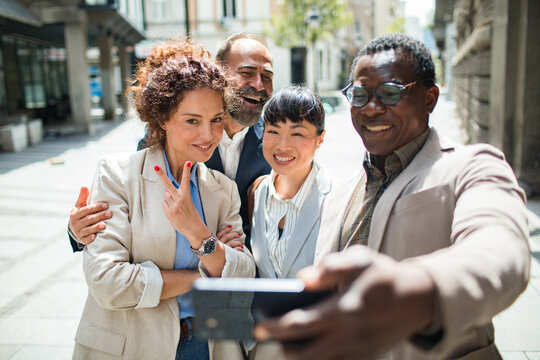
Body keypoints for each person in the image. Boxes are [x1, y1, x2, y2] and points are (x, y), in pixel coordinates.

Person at [254, 33, 530, 360]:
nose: (371, 108)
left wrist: (419, 292)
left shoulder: (472, 166)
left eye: (390, 92)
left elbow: (501, 250)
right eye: (360, 94)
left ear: (429, 98)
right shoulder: (341, 194)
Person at [72, 38, 255, 360]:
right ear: (163, 119)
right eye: (192, 121)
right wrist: (206, 273)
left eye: (215, 120)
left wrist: (197, 232)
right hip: (133, 343)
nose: (208, 135)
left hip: (208, 345)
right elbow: (108, 283)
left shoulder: (222, 190)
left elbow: (242, 274)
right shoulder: (117, 175)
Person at [68, 32, 273, 251]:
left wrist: (231, 259)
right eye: (246, 73)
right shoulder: (167, 138)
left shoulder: (277, 142)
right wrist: (80, 231)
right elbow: (135, 209)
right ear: (219, 74)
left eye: (268, 76)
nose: (259, 85)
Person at [219, 85, 331, 360]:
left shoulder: (338, 198)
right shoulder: (256, 192)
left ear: (320, 139)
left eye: (297, 133)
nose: (282, 145)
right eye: (273, 131)